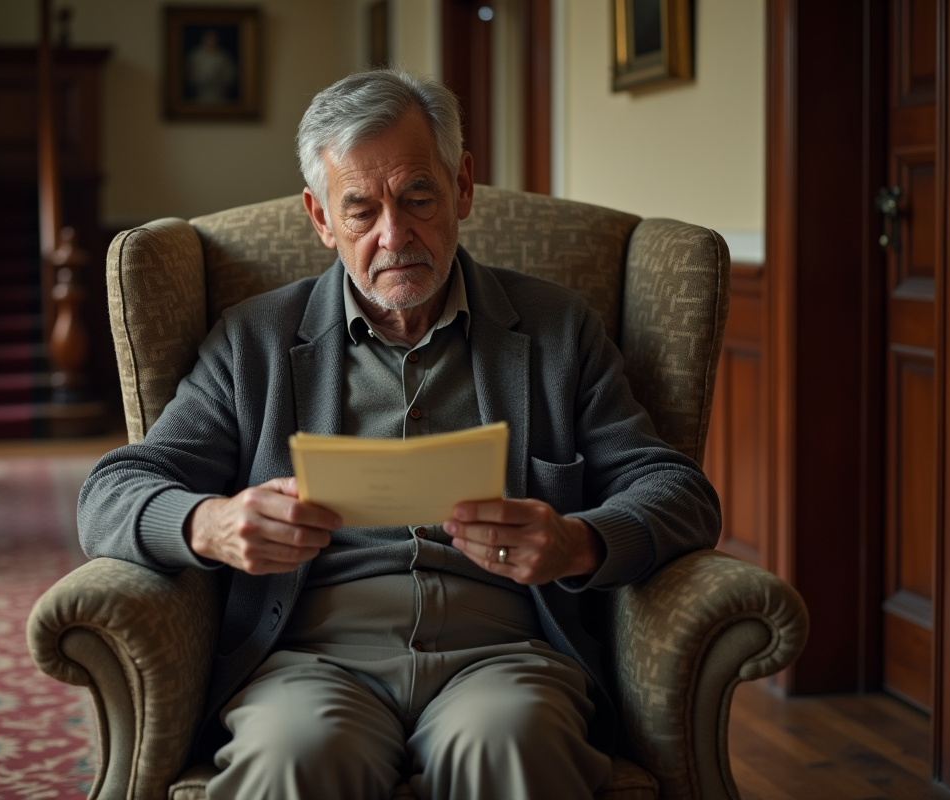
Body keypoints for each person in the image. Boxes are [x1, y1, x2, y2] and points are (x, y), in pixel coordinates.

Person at [78, 69, 720, 800]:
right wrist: (210, 524)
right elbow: (109, 493)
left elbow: (679, 492)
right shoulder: (253, 342)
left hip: (506, 655)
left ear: (462, 186)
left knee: (512, 743)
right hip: (311, 661)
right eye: (361, 210)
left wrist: (579, 542)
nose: (395, 235)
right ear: (321, 217)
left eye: (418, 198)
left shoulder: (557, 331)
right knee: (294, 757)